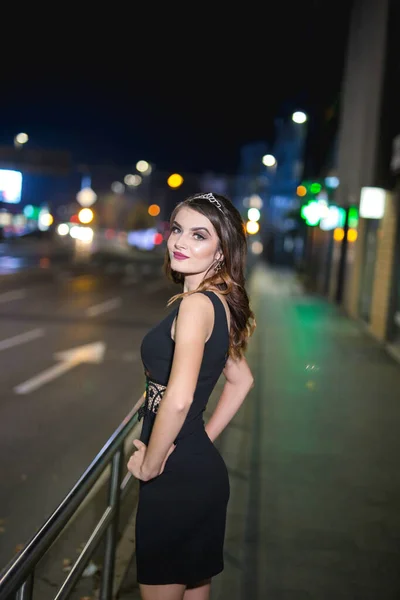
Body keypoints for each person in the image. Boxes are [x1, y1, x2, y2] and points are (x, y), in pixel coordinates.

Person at [127, 192, 255, 600]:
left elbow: (179, 400)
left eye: (199, 235)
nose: (180, 242)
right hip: (199, 474)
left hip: (174, 482)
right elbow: (242, 380)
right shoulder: (219, 304)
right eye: (178, 229)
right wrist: (200, 441)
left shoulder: (196, 306)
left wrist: (150, 463)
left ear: (221, 252)